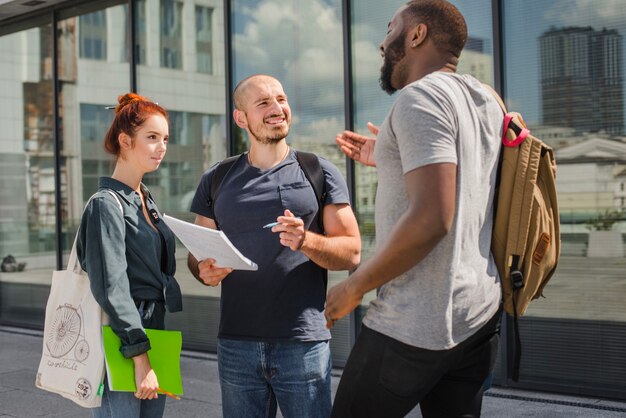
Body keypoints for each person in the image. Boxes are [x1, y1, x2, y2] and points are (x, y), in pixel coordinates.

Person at [325, 1, 503, 417]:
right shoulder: (487, 101)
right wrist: (390, 155)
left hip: (413, 322)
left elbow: (431, 219)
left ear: (417, 35)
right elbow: (466, 179)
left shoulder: (419, 98)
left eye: (390, 29)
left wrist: (354, 287)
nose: (382, 42)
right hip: (478, 319)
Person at [187, 74, 361, 418]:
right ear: (241, 118)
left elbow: (352, 251)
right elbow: (196, 253)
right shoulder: (217, 178)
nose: (276, 108)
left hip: (303, 345)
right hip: (236, 344)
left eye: (281, 99)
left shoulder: (317, 171)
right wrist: (202, 270)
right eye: (263, 102)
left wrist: (306, 241)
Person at [76, 93, 182, 418]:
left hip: (155, 331)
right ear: (125, 140)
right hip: (124, 339)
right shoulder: (106, 204)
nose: (161, 146)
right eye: (151, 137)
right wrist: (140, 357)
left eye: (165, 138)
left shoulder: (146, 200)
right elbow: (112, 288)